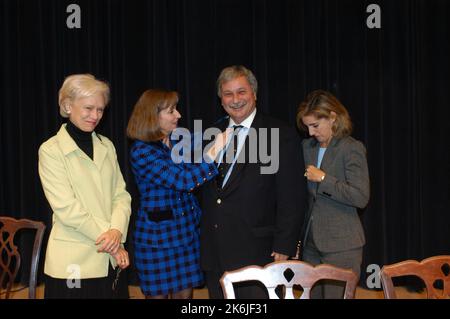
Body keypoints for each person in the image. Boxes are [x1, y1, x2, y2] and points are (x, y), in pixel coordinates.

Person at [200, 65, 306, 299]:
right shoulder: (211, 133)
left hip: (259, 253)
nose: (235, 100)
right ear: (221, 99)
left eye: (241, 92)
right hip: (215, 252)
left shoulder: (280, 133)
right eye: (228, 94)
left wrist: (285, 244)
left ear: (254, 94)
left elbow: (293, 195)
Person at [127, 89, 228, 299]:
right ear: (153, 116)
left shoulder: (175, 140)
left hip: (186, 235)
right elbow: (184, 181)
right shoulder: (142, 151)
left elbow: (204, 137)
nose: (178, 115)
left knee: (186, 299)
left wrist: (228, 122)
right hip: (158, 241)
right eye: (171, 110)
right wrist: (214, 151)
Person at [38, 74, 132, 298]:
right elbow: (67, 209)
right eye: (89, 108)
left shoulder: (107, 146)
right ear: (68, 106)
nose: (96, 116)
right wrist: (112, 242)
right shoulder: (50, 150)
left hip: (109, 257)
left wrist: (117, 231)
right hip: (73, 262)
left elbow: (121, 195)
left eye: (100, 109)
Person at [296, 89, 370, 299]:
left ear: (333, 117)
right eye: (307, 126)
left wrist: (323, 179)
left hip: (342, 246)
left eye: (315, 126)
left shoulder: (351, 148)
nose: (310, 133)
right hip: (310, 244)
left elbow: (360, 196)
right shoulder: (306, 147)